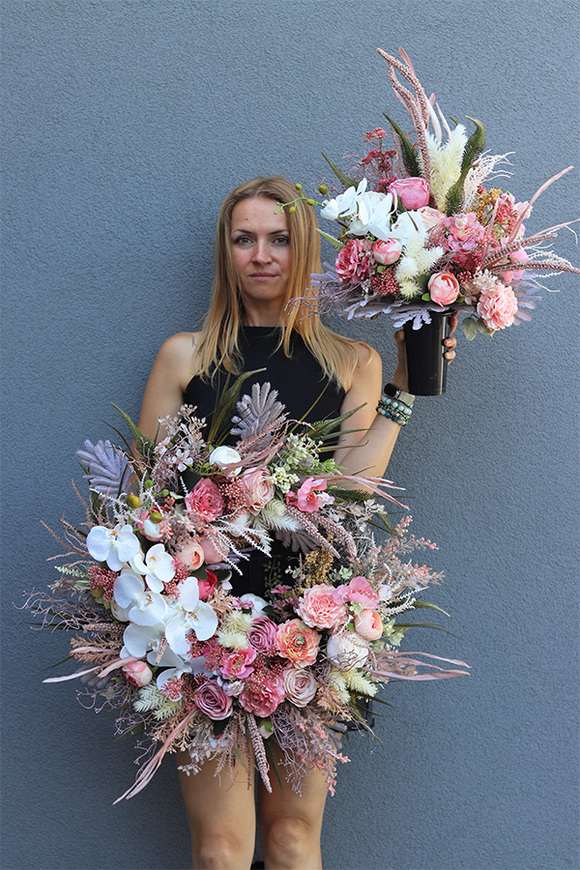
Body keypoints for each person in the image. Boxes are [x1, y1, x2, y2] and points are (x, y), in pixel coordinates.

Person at [137, 176, 456, 870]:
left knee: (289, 839)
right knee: (222, 850)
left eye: (279, 239)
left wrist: (404, 385)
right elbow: (148, 499)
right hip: (202, 621)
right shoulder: (186, 356)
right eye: (243, 239)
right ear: (225, 252)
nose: (261, 255)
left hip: (310, 621)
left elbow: (353, 487)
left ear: (304, 248)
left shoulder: (352, 360)